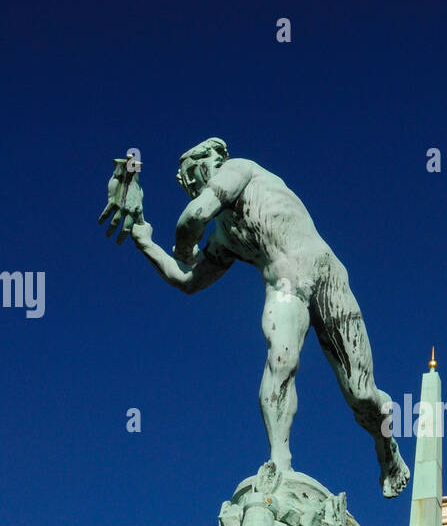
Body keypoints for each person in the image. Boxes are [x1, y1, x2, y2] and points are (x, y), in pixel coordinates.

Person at [99, 139, 409, 497]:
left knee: (361, 394)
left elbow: (192, 219)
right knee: (280, 362)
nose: (190, 188)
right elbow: (188, 280)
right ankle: (280, 461)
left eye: (190, 179)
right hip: (284, 287)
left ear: (208, 163)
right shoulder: (226, 237)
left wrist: (183, 247)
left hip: (325, 274)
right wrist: (143, 239)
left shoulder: (238, 169)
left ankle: (386, 446)